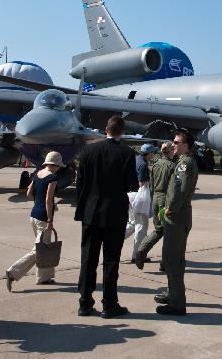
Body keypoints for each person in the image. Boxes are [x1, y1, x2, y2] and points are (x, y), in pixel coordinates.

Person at [74, 115, 138, 318]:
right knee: (111, 261)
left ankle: (84, 303)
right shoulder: (127, 153)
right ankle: (109, 304)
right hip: (114, 213)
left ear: (105, 129)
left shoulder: (89, 150)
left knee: (88, 259)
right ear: (123, 131)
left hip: (91, 213)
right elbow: (132, 185)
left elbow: (80, 184)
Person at [154, 131, 199, 317]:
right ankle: (173, 293)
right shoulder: (183, 162)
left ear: (186, 146)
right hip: (180, 214)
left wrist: (170, 207)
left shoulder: (185, 163)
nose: (173, 145)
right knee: (172, 257)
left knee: (173, 259)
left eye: (177, 142)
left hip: (177, 215)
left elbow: (178, 188)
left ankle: (177, 303)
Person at [5, 151, 65, 290]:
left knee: (44, 247)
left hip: (33, 214)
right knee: (39, 249)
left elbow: (28, 193)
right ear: (55, 165)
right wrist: (50, 219)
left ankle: (44, 277)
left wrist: (37, 203)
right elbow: (48, 200)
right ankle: (13, 272)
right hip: (44, 217)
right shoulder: (52, 178)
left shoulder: (38, 174)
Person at [135, 141, 176, 270]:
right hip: (165, 200)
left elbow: (151, 184)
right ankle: (165, 263)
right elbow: (173, 187)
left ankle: (141, 250)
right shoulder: (172, 166)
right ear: (170, 151)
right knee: (169, 232)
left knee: (159, 230)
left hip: (156, 198)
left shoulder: (155, 165)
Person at [124, 144, 155, 262]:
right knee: (141, 226)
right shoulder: (143, 164)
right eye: (152, 153)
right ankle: (137, 255)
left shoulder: (136, 160)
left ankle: (113, 240)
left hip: (130, 195)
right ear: (149, 153)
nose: (153, 155)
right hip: (139, 196)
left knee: (132, 223)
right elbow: (142, 183)